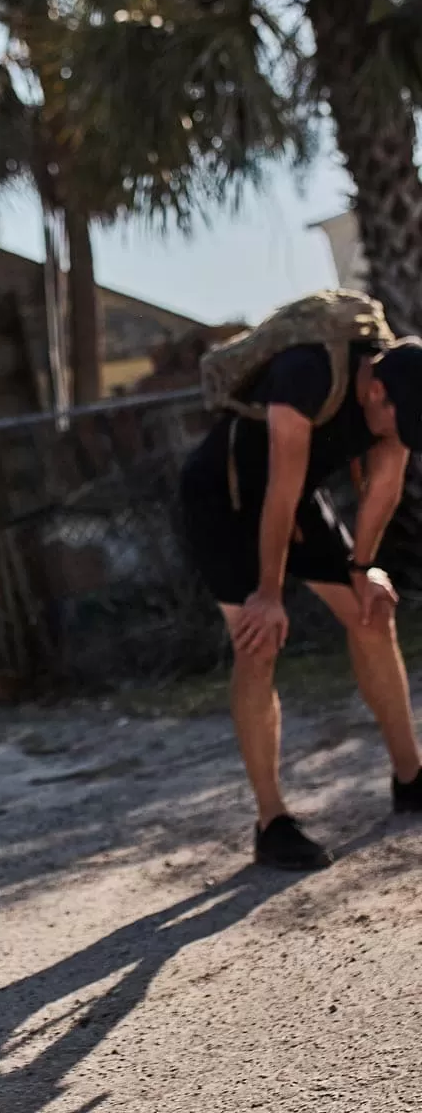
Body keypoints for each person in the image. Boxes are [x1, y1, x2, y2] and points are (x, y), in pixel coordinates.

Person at [180, 316, 422, 870]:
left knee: (371, 612)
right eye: (398, 422)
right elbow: (279, 489)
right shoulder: (305, 375)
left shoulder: (400, 388)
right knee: (258, 640)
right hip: (225, 497)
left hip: (291, 500)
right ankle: (272, 823)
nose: (399, 433)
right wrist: (269, 592)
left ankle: (411, 778)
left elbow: (386, 477)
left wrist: (364, 567)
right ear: (376, 390)